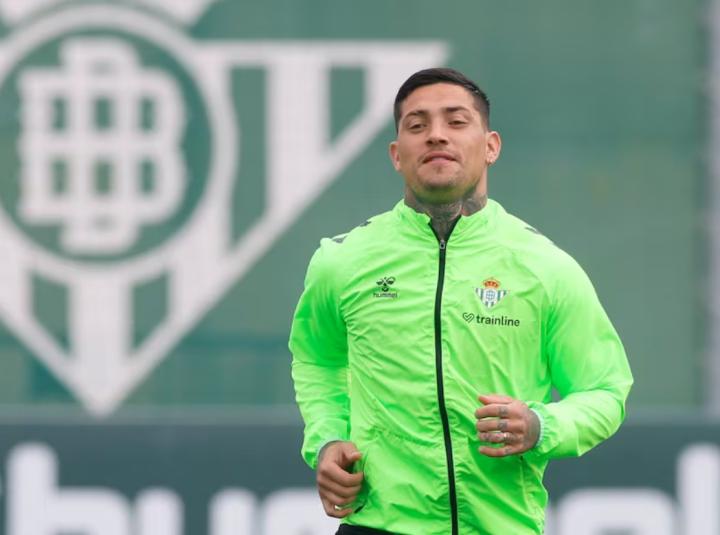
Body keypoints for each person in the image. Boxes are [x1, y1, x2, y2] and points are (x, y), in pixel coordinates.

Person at [289, 67, 633, 535]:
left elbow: (605, 390)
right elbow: (318, 360)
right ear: (396, 154)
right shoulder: (342, 261)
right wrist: (328, 439)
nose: (436, 135)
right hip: (376, 526)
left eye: (456, 121)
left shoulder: (546, 267)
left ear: (491, 146)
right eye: (417, 125)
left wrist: (540, 426)